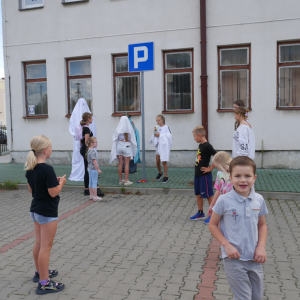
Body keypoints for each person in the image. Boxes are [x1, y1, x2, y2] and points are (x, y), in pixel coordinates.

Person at [209, 156, 268, 300]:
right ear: (230, 177)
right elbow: (212, 224)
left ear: (254, 178)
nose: (243, 180)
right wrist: (226, 246)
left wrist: (261, 247)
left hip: (254, 258)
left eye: (247, 176)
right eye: (238, 176)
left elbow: (262, 224)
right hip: (234, 258)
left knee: (256, 297)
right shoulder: (224, 200)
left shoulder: (259, 199)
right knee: (243, 298)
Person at [25, 135, 66, 295]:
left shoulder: (30, 168)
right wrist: (61, 182)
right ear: (44, 150)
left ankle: (39, 272)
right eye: (50, 147)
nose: (51, 149)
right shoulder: (47, 169)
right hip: (47, 213)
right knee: (45, 247)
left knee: (39, 244)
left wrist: (51, 182)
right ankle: (44, 283)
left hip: (35, 210)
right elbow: (53, 192)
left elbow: (32, 189)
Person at [190, 126, 217, 222]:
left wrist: (210, 168)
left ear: (199, 135)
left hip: (204, 176)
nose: (194, 138)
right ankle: (200, 213)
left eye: (194, 136)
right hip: (197, 175)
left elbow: (217, 157)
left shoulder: (207, 146)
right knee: (198, 194)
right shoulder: (201, 145)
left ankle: (213, 215)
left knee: (208, 195)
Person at [79, 112, 104, 197]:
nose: (92, 119)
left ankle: (88, 189)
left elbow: (81, 140)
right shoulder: (86, 129)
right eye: (91, 118)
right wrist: (87, 151)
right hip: (86, 150)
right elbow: (86, 141)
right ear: (88, 119)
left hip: (84, 149)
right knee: (90, 167)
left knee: (87, 167)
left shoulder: (84, 127)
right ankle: (92, 188)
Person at [206, 151, 233, 224]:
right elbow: (218, 190)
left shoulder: (236, 174)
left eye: (219, 167)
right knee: (219, 225)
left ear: (225, 164)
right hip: (222, 205)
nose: (218, 169)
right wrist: (212, 205)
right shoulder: (220, 174)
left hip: (233, 206)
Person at [110, 116, 137, 186]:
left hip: (119, 145)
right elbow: (133, 138)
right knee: (127, 164)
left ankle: (120, 179)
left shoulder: (118, 129)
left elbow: (114, 138)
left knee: (120, 163)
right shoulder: (129, 129)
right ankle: (126, 180)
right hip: (126, 145)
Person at [149, 115, 172, 183]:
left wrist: (160, 135)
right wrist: (155, 132)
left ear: (162, 120)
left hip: (164, 147)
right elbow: (155, 136)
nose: (157, 122)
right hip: (158, 146)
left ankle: (165, 176)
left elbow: (169, 136)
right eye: (156, 120)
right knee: (157, 162)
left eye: (158, 120)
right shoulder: (157, 127)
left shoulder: (166, 127)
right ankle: (160, 173)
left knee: (164, 161)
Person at [87, 137, 102, 201]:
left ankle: (91, 195)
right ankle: (95, 196)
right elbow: (94, 161)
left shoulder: (88, 150)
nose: (97, 143)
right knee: (94, 182)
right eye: (96, 142)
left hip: (89, 168)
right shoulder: (93, 152)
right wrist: (98, 169)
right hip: (93, 169)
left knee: (90, 182)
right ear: (91, 143)